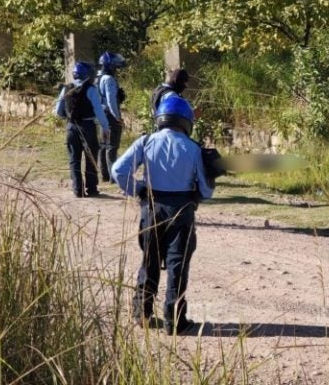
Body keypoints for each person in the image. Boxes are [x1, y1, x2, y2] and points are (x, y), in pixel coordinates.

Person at [111, 95, 214, 336]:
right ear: (186, 121)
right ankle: (174, 320)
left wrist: (136, 189)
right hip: (182, 210)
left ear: (160, 119)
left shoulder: (145, 141)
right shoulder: (194, 148)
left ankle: (142, 313)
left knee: (150, 260)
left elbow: (118, 170)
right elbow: (206, 191)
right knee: (178, 263)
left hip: (152, 206)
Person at [54, 61, 110, 198]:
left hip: (71, 127)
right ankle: (91, 189)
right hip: (88, 127)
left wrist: (68, 117)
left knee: (74, 158)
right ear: (87, 75)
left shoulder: (66, 88)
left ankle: (77, 189)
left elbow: (58, 111)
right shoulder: (91, 89)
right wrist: (105, 127)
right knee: (90, 158)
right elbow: (98, 110)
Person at [96, 51, 126, 183]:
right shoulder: (109, 79)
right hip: (110, 115)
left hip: (102, 114)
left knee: (103, 145)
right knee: (112, 146)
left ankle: (105, 175)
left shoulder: (98, 77)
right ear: (111, 66)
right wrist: (117, 117)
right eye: (115, 67)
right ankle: (113, 176)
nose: (117, 70)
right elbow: (111, 100)